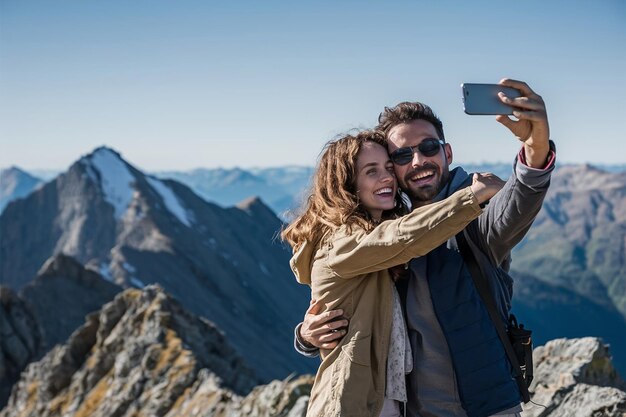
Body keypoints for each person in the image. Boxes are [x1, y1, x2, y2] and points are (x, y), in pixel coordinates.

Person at [295, 79, 556, 417]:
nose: (417, 160)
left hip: (487, 406)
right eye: (401, 156)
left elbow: (516, 203)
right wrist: (306, 334)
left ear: (447, 153)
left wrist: (535, 149)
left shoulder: (475, 217)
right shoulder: (377, 233)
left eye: (429, 147)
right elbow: (353, 305)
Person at [282, 129, 503, 417]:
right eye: (371, 171)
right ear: (347, 184)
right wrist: (472, 198)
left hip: (385, 403)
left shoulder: (367, 239)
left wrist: (305, 336)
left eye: (388, 168)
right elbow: (401, 238)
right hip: (350, 405)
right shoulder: (339, 241)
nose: (387, 177)